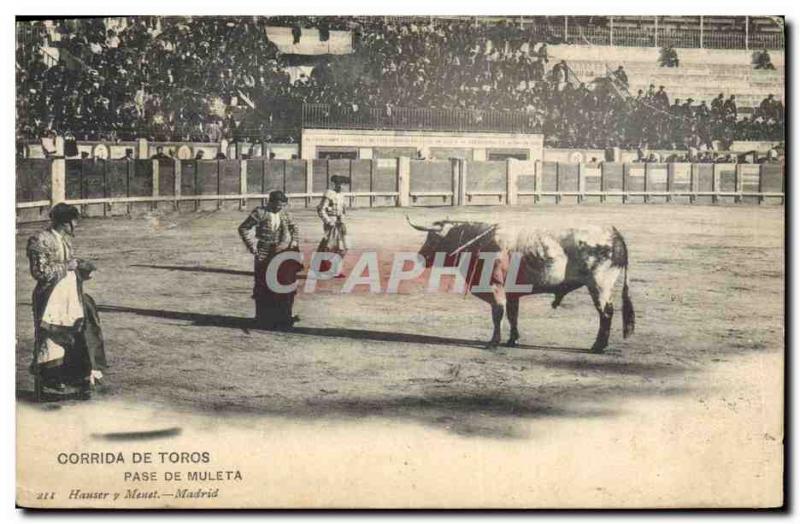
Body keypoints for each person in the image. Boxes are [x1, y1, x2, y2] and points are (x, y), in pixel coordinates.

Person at [27, 203, 106, 400]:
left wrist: (81, 268)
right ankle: (50, 380)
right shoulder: (39, 240)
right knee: (50, 338)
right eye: (74, 221)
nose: (76, 226)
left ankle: (75, 379)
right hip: (49, 297)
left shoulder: (63, 240)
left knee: (77, 334)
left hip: (70, 296)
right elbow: (40, 273)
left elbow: (68, 266)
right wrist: (68, 266)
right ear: (66, 222)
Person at [238, 191, 301, 330]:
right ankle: (263, 319)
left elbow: (294, 228)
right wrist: (252, 246)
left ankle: (284, 318)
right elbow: (243, 228)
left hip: (282, 250)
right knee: (263, 284)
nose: (280, 208)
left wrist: (294, 242)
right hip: (265, 251)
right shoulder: (260, 212)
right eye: (278, 205)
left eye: (283, 205)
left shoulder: (285, 213)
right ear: (270, 202)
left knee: (284, 284)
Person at [316, 175, 349, 274]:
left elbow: (343, 211)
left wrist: (343, 220)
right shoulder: (329, 193)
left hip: (340, 222)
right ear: (337, 184)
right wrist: (328, 221)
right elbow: (321, 209)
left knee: (343, 246)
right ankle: (331, 270)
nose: (345, 187)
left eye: (346, 185)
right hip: (331, 221)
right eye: (343, 184)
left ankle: (328, 268)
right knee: (332, 246)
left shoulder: (342, 195)